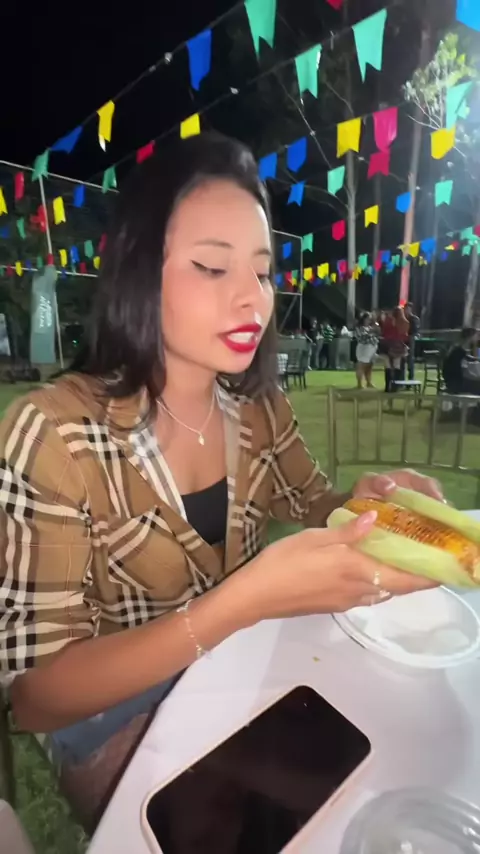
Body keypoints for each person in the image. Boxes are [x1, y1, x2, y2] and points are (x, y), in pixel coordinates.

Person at [0, 133, 440, 830]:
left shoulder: (258, 407)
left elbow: (312, 501)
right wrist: (239, 604)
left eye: (263, 273)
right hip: (116, 709)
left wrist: (364, 503)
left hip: (241, 662)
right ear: (141, 273)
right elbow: (37, 697)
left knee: (382, 774)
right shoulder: (54, 433)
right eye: (211, 267)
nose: (252, 300)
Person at [443, 328, 480, 395]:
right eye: (476, 335)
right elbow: (466, 373)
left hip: (452, 381)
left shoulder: (458, 347)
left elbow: (468, 357)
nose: (478, 338)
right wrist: (477, 378)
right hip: (455, 383)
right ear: (470, 337)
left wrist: (477, 359)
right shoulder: (459, 351)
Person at [382, 307, 409, 393]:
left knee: (387, 366)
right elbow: (405, 336)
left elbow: (384, 332)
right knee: (397, 366)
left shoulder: (388, 321)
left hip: (387, 345)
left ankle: (387, 386)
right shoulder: (405, 322)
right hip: (398, 346)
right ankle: (395, 387)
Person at [354, 312, 379, 389]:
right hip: (364, 349)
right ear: (364, 319)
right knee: (361, 366)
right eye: (368, 319)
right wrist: (371, 332)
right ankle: (359, 384)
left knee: (369, 366)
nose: (369, 320)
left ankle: (369, 382)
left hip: (372, 349)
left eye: (370, 319)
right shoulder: (360, 328)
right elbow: (362, 337)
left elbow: (376, 336)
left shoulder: (370, 327)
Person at [404, 302, 420, 380]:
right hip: (403, 339)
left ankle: (411, 378)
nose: (407, 310)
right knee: (402, 359)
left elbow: (415, 331)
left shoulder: (414, 318)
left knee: (410, 359)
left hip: (410, 339)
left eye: (408, 309)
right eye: (406, 309)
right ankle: (401, 378)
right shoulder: (403, 318)